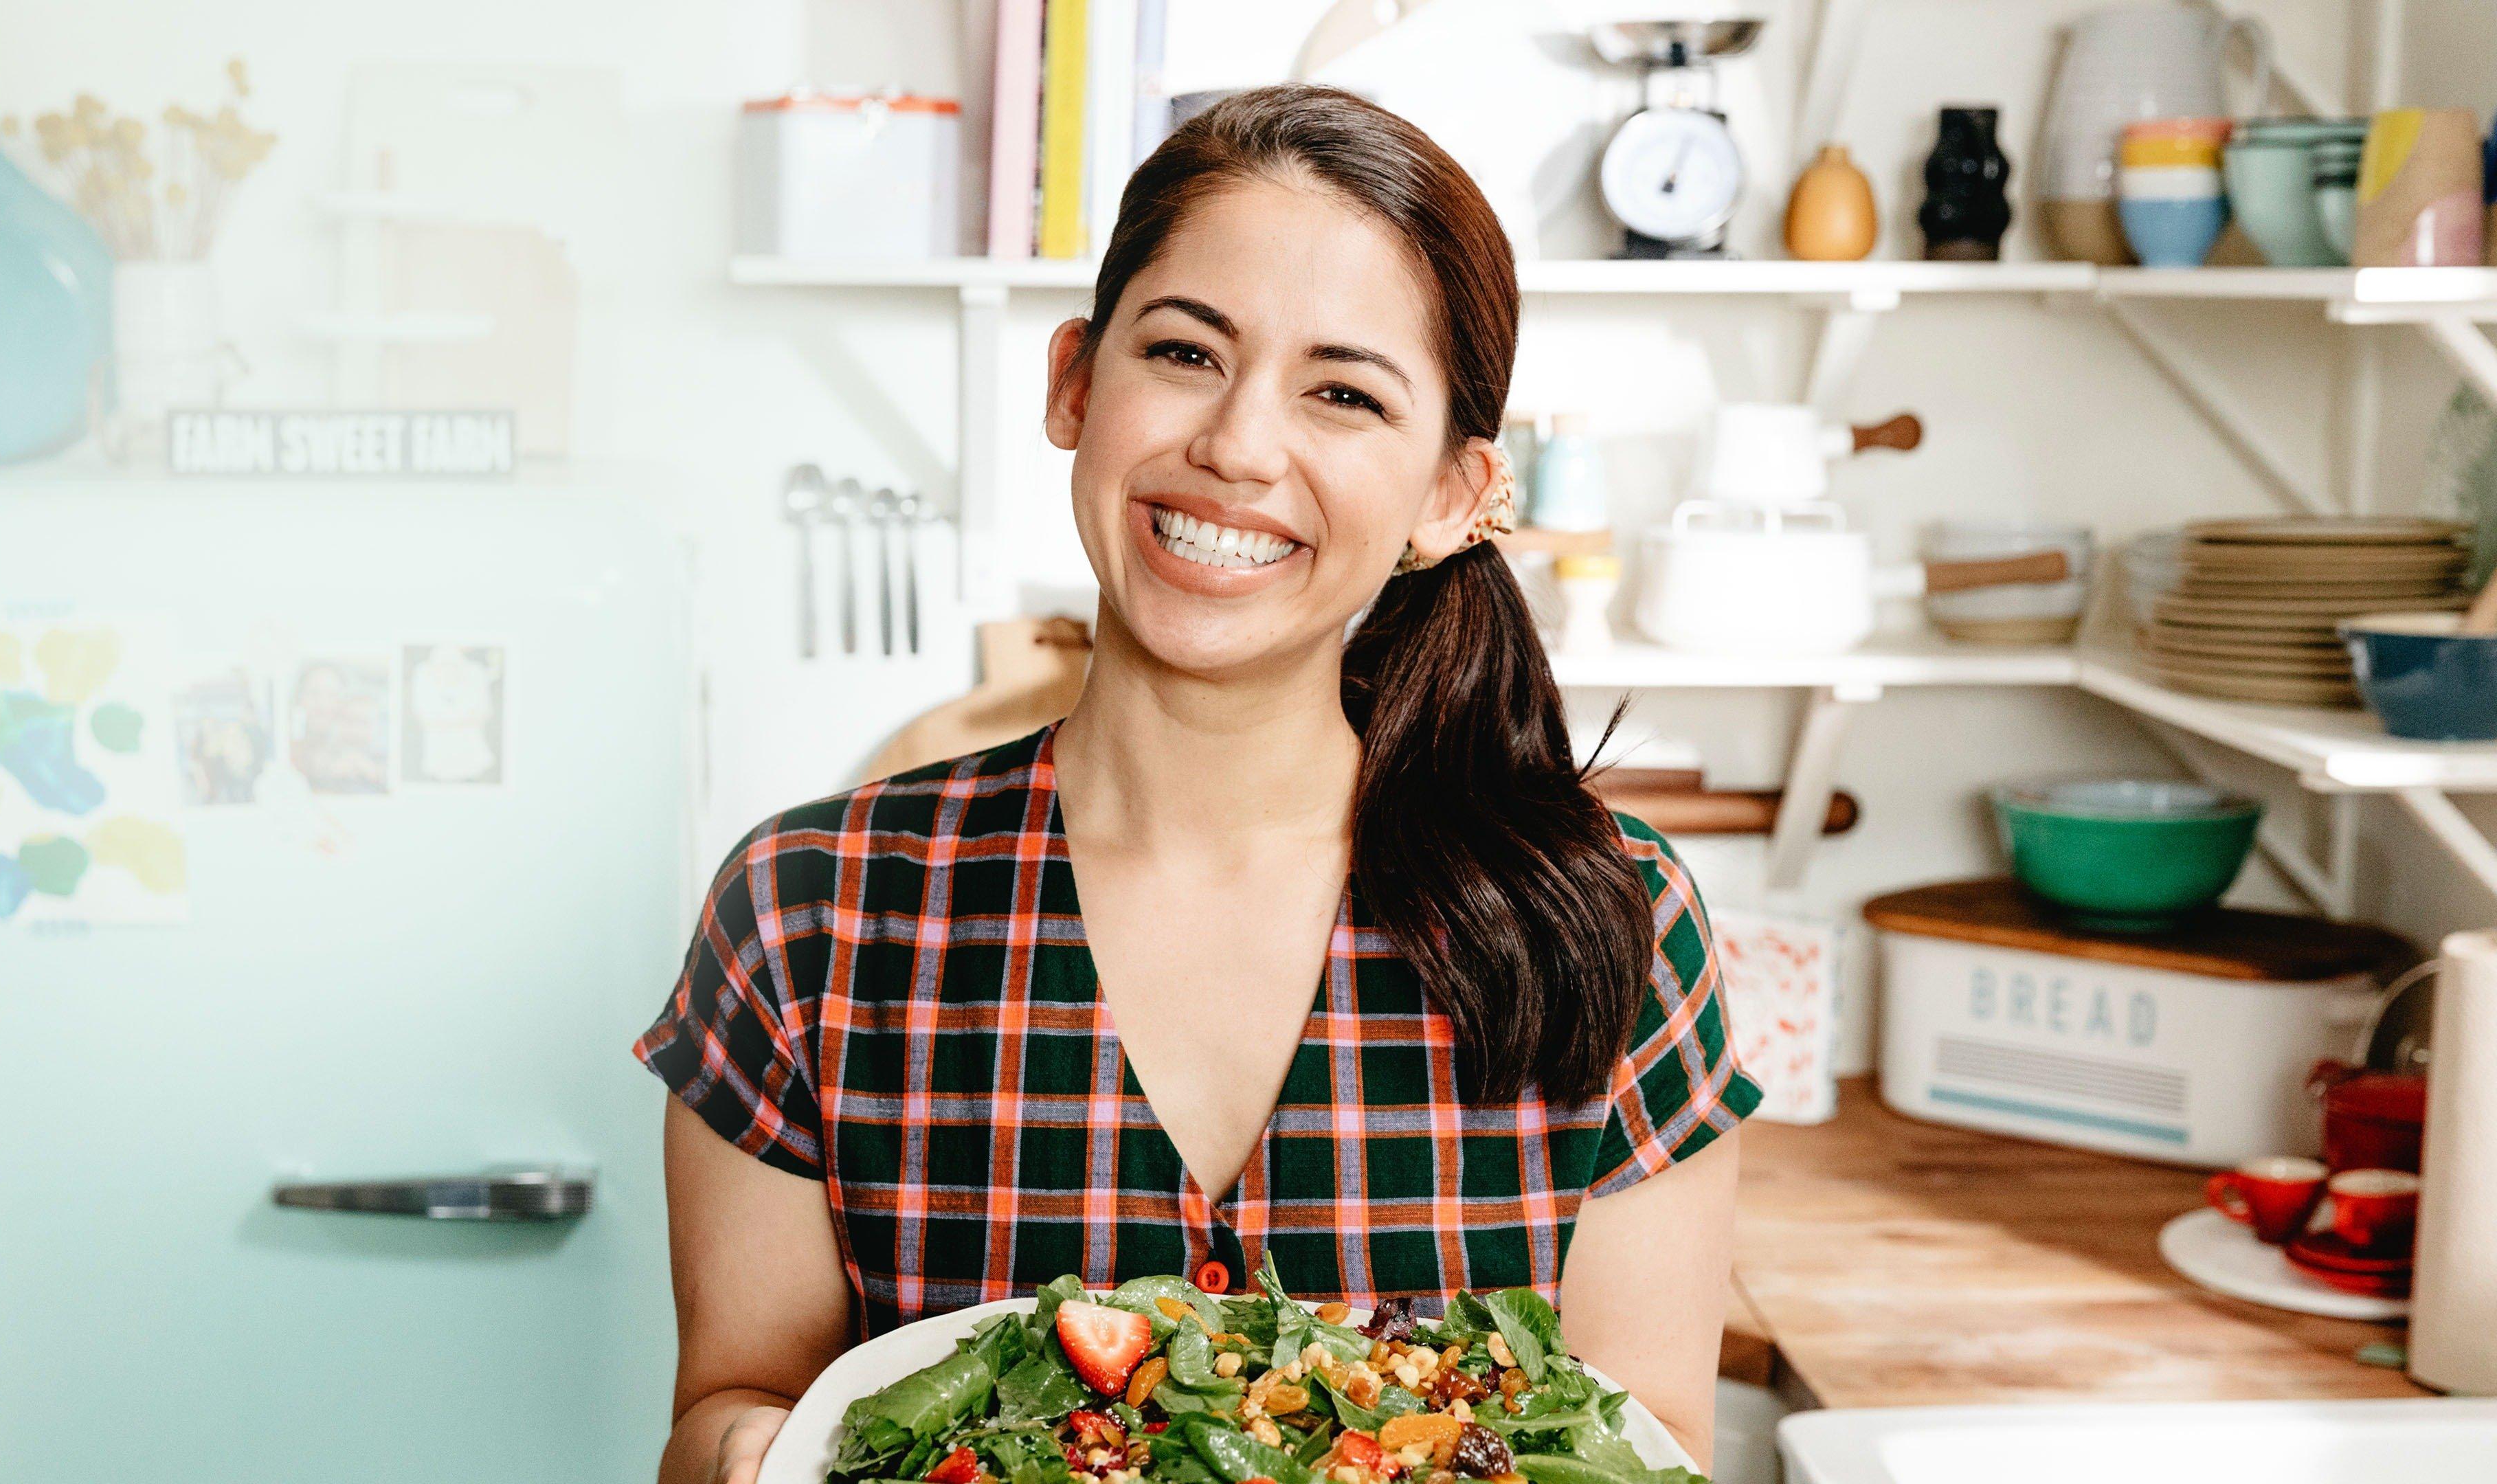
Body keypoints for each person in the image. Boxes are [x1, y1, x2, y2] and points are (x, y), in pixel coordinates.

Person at [639, 83, 1762, 1484]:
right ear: (1075, 382)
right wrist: (748, 1453)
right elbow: (732, 1408)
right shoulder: (811, 918)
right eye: (1185, 353)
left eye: (1344, 393)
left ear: (1452, 494)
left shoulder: (1616, 922)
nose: (1238, 446)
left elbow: (1644, 1449)